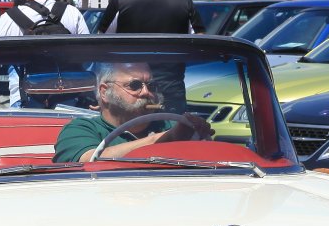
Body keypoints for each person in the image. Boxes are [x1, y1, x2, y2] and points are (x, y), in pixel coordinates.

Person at [52, 61, 212, 163]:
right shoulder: (81, 128)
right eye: (134, 86)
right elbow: (88, 160)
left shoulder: (172, 125)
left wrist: (199, 134)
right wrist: (166, 138)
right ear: (104, 92)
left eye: (150, 86)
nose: (146, 92)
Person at [104, 0, 199, 112]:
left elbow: (102, 47)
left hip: (129, 93)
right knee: (173, 129)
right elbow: (199, 45)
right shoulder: (185, 2)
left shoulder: (120, 3)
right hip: (172, 91)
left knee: (129, 130)